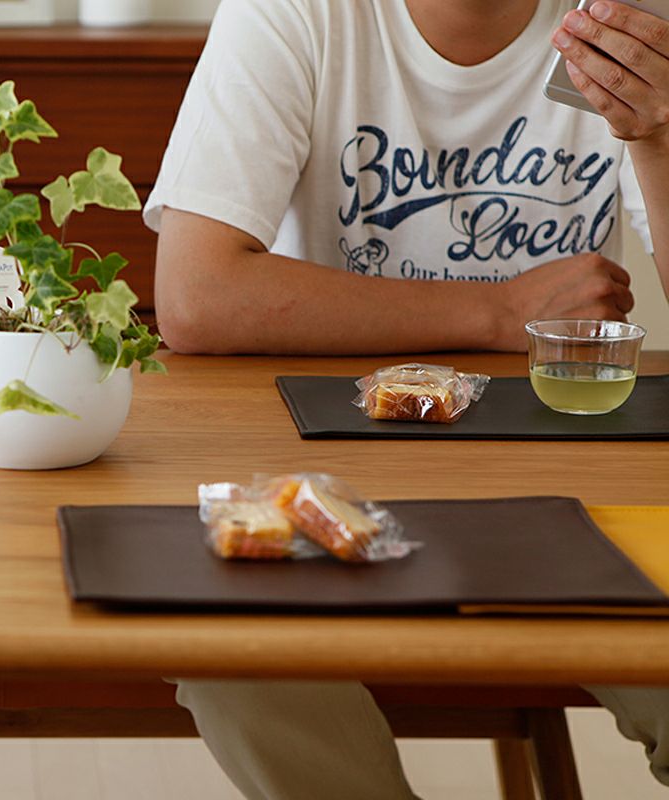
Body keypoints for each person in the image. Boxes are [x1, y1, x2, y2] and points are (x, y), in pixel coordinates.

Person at [143, 1, 669, 797]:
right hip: (329, 488)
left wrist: (658, 139)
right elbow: (196, 295)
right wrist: (496, 312)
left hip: (574, 489)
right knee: (228, 647)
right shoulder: (294, 13)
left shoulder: (631, 23)